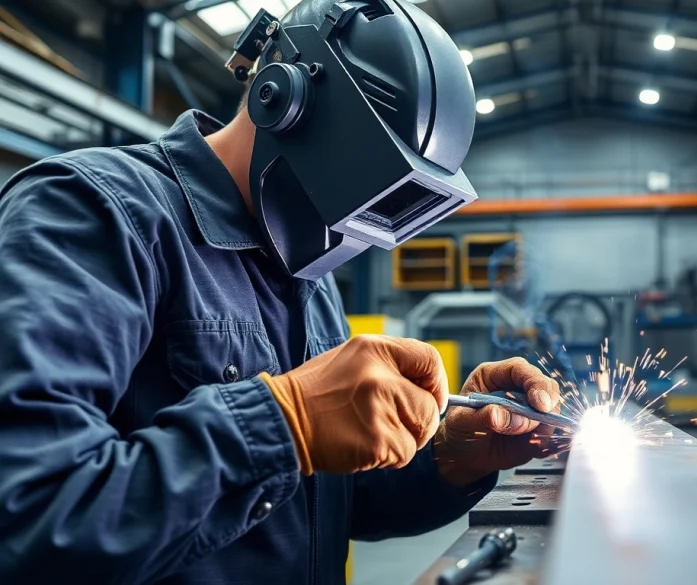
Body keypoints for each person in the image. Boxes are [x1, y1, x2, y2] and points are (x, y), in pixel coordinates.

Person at [0, 1, 560, 583]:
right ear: (282, 97)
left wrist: (450, 455)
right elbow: (29, 516)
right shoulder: (93, 211)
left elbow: (329, 502)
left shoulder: (309, 276)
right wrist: (284, 423)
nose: (361, 230)